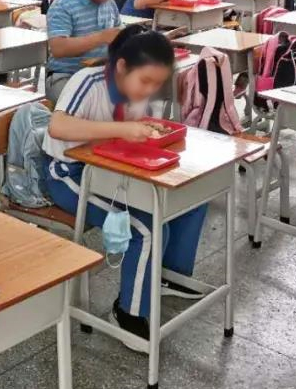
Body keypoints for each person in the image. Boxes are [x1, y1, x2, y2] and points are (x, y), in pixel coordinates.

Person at [43, 25, 208, 342]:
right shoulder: (88, 81)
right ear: (121, 66)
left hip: (112, 170)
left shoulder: (137, 94)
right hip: (68, 173)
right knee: (145, 228)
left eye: (157, 83)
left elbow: (137, 133)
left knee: (190, 200)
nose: (150, 90)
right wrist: (120, 130)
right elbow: (57, 126)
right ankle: (128, 313)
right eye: (145, 81)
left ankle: (167, 275)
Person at [45, 0, 123, 102]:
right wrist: (100, 38)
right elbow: (58, 48)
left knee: (135, 101)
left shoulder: (109, 3)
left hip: (101, 75)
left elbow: (119, 38)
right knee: (88, 105)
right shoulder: (63, 4)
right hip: (67, 76)